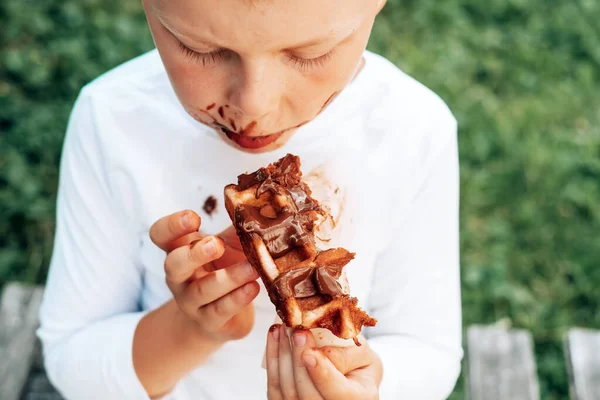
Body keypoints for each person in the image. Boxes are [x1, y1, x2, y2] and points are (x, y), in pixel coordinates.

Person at [37, 0, 463, 398]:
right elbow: (71, 359)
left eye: (311, 53)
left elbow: (429, 352)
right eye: (198, 48)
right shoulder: (112, 119)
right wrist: (193, 329)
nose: (254, 105)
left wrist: (370, 386)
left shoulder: (414, 132)